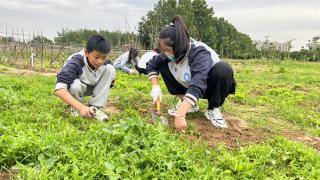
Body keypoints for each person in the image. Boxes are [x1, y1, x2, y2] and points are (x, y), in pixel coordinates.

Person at [146, 16, 236, 130]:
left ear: (179, 46)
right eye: (164, 50)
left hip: (208, 87)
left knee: (223, 68)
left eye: (168, 50)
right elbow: (151, 64)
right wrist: (155, 86)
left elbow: (198, 82)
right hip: (188, 85)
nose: (165, 53)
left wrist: (180, 114)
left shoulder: (199, 53)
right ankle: (188, 103)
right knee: (162, 63)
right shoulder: (170, 53)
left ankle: (213, 108)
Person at [54, 34, 115, 121]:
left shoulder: (106, 63)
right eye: (96, 57)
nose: (100, 61)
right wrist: (81, 107)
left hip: (90, 86)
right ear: (86, 52)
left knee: (110, 69)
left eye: (104, 57)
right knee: (75, 85)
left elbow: (108, 84)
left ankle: (95, 108)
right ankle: (76, 108)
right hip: (74, 88)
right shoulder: (75, 62)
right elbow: (59, 90)